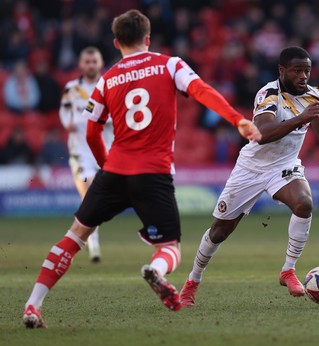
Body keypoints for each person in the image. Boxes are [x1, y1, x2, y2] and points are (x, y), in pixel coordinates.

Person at [22, 9, 261, 328]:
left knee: (76, 235)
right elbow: (201, 90)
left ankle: (32, 306)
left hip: (115, 170)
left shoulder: (106, 79)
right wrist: (237, 119)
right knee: (170, 247)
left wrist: (107, 168)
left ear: (116, 42)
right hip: (153, 172)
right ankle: (156, 272)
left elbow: (92, 131)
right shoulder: (170, 64)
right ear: (148, 38)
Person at [180, 46, 319, 306]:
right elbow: (262, 133)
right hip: (251, 168)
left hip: (284, 166)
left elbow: (318, 115)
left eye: (306, 70)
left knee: (304, 203)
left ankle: (288, 270)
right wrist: (299, 119)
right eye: (296, 71)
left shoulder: (314, 95)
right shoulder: (268, 94)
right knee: (219, 231)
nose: (303, 76)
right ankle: (192, 282)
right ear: (282, 71)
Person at [59, 46, 114, 262]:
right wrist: (68, 123)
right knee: (88, 190)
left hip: (104, 151)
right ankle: (94, 242)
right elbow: (64, 110)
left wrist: (104, 120)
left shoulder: (108, 85)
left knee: (97, 199)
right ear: (81, 64)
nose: (91, 65)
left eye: (94, 62)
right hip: (80, 152)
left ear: (100, 64)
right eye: (87, 62)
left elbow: (117, 113)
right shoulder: (71, 88)